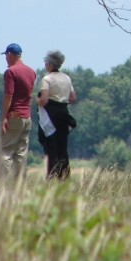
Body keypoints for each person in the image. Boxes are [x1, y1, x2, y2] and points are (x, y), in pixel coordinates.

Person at [0, 43, 36, 178]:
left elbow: (9, 95)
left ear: (9, 55)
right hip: (26, 116)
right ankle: (20, 183)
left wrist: (4, 118)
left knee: (5, 151)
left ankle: (6, 182)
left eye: (6, 56)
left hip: (14, 115)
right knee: (21, 153)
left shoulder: (11, 72)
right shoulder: (31, 71)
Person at [36, 50, 77, 179]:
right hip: (63, 116)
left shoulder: (46, 79)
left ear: (49, 64)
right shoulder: (67, 78)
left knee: (51, 148)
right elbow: (72, 98)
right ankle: (64, 177)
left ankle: (52, 177)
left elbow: (44, 100)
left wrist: (37, 100)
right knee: (62, 148)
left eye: (45, 61)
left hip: (50, 117)